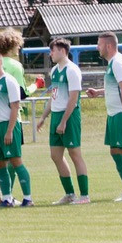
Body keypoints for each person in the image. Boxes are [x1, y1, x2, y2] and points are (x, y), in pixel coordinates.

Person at [85, 32, 122, 202]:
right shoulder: (112, 63)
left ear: (108, 46)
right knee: (115, 150)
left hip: (121, 113)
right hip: (113, 114)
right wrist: (99, 92)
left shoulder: (118, 63)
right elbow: (116, 86)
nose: (97, 47)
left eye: (99, 44)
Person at [35, 37, 90, 205]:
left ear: (62, 51)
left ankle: (85, 196)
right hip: (56, 116)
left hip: (69, 116)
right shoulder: (54, 71)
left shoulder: (72, 70)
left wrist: (64, 121)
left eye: (53, 50)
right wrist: (44, 117)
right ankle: (69, 194)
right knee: (55, 155)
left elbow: (74, 98)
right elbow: (54, 95)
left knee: (75, 154)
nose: (50, 53)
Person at [0, 28, 28, 201]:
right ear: (12, 45)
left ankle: (6, 193)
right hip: (13, 119)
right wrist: (35, 86)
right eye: (18, 46)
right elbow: (22, 94)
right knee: (14, 158)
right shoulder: (15, 66)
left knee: (4, 159)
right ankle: (6, 191)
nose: (19, 50)